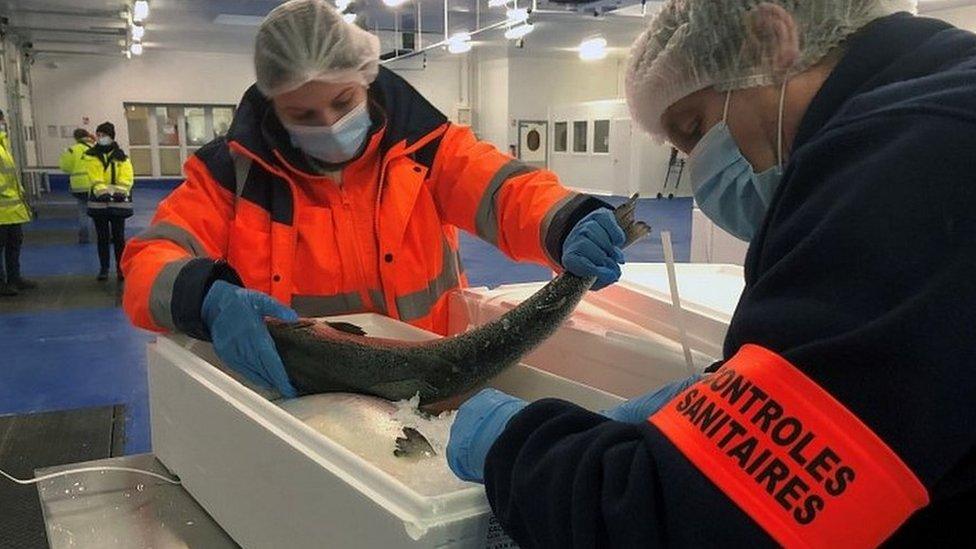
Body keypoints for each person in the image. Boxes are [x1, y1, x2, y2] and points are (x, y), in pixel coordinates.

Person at [446, 1, 976, 546]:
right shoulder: (935, 111)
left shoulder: (907, 173)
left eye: (696, 127)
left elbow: (689, 521)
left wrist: (517, 445)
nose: (702, 171)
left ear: (771, 41)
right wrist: (735, 395)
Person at [120, 0, 625, 398]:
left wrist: (566, 221)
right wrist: (205, 296)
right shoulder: (230, 176)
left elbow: (504, 192)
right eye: (304, 114)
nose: (329, 125)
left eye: (342, 103)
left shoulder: (427, 150)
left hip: (427, 386)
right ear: (274, 106)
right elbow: (152, 259)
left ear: (365, 77)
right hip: (297, 394)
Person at [86, 122, 134, 282]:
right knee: (102, 237)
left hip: (118, 204)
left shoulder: (121, 157)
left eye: (103, 135)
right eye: (98, 135)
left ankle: (121, 269)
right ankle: (104, 269)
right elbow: (94, 176)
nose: (100, 138)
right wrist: (101, 191)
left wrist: (121, 191)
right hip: (98, 204)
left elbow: (127, 177)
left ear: (111, 136)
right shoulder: (91, 155)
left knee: (119, 237)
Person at [0, 109, 36, 296]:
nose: (4, 123)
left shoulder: (3, 145)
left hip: (13, 210)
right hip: (2, 210)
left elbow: (11, 176)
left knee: (14, 246)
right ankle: (2, 283)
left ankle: (15, 278)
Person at [59, 128, 95, 244]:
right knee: (99, 212)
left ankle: (84, 237)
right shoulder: (94, 148)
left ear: (75, 138)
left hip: (78, 186)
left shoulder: (72, 150)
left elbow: (65, 167)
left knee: (83, 211)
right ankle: (104, 235)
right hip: (94, 184)